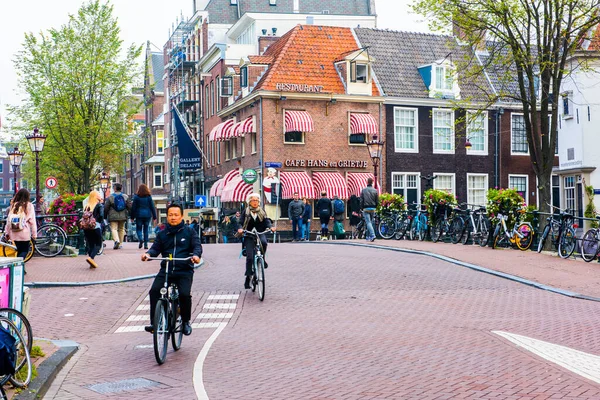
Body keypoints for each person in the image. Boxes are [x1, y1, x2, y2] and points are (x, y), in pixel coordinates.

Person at [141, 203, 202, 335]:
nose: (173, 218)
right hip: (166, 270)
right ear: (167, 217)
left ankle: (185, 321)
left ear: (181, 216)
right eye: (170, 215)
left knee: (184, 295)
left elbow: (197, 246)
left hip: (184, 269)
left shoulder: (190, 232)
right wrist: (148, 254)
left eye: (176, 215)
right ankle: (154, 323)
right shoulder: (163, 234)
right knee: (154, 291)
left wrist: (196, 256)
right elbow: (155, 249)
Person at [236, 193, 276, 289]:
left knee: (264, 243)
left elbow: (266, 221)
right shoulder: (246, 211)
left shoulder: (261, 211)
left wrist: (270, 227)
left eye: (257, 201)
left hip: (260, 233)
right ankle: (248, 277)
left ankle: (263, 258)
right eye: (253, 200)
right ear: (250, 201)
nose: (255, 202)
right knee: (250, 257)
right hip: (249, 234)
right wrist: (240, 228)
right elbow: (240, 222)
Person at [5, 189, 37, 272]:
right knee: (24, 251)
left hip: (14, 232)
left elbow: (8, 220)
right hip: (24, 232)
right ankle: (18, 267)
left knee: (19, 250)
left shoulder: (13, 205)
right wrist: (34, 234)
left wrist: (7, 233)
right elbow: (32, 221)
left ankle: (22, 268)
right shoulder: (29, 205)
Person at [131, 184, 157, 250]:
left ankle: (140, 239)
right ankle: (146, 244)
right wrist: (154, 217)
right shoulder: (149, 197)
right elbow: (152, 207)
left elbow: (133, 207)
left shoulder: (136, 197)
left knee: (138, 228)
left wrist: (132, 217)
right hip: (147, 215)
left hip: (139, 215)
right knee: (146, 229)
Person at [104, 183, 130, 249]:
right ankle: (120, 244)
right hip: (123, 215)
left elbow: (106, 207)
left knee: (114, 228)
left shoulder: (110, 197)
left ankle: (116, 241)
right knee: (121, 229)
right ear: (121, 188)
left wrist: (105, 216)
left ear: (115, 188)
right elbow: (129, 206)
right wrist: (130, 214)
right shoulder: (125, 196)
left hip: (113, 216)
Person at [82, 191, 104, 268]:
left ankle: (91, 261)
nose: (100, 196)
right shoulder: (99, 205)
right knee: (98, 244)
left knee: (90, 244)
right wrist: (99, 222)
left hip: (86, 227)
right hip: (95, 227)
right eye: (98, 195)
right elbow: (101, 215)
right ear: (96, 196)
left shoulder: (86, 206)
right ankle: (91, 258)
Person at [360, 177, 379, 242]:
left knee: (368, 222)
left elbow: (361, 200)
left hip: (366, 208)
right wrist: (375, 206)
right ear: (372, 182)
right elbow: (377, 201)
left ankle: (373, 235)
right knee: (370, 222)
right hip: (373, 208)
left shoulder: (363, 190)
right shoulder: (375, 190)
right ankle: (368, 236)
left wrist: (361, 208)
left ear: (367, 182)